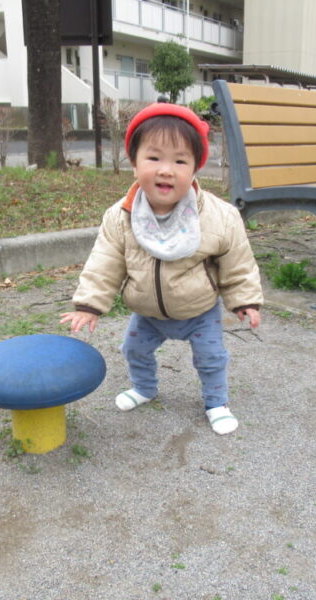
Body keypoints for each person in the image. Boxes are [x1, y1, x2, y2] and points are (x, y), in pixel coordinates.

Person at [60, 103, 263, 434]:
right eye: (154, 158)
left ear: (195, 168)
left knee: (211, 358)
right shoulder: (122, 216)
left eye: (180, 161)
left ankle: (217, 402)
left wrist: (245, 301)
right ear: (134, 162)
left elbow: (237, 262)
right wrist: (89, 304)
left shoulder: (218, 216)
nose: (166, 170)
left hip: (199, 311)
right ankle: (144, 388)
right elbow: (105, 261)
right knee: (133, 350)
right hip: (148, 313)